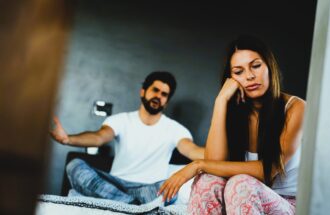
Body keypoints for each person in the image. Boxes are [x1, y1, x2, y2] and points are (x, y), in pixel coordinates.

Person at [158, 35, 305, 214]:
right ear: (231, 79)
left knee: (240, 182)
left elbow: (268, 170)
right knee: (207, 180)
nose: (250, 76)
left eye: (256, 66)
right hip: (243, 203)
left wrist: (197, 165)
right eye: (238, 71)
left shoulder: (295, 107)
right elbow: (214, 164)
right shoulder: (233, 110)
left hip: (290, 205)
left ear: (269, 67)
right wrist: (221, 101)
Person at [50, 71, 204, 205]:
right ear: (143, 92)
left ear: (167, 101)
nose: (158, 96)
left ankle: (121, 203)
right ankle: (132, 205)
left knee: (172, 191)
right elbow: (99, 137)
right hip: (114, 184)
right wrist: (68, 139)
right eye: (155, 90)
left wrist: (224, 157)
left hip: (149, 189)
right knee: (74, 165)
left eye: (164, 94)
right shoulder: (120, 120)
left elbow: (192, 151)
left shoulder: (176, 129)